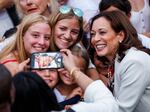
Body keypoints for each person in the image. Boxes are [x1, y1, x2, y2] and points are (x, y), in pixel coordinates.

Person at [50, 5, 99, 80]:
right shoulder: (42, 45)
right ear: (52, 26)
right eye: (62, 28)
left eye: (74, 32)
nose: (67, 36)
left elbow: (95, 78)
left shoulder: (78, 50)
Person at [54, 44, 89, 109]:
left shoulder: (86, 93)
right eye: (67, 67)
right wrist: (68, 101)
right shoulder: (50, 90)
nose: (70, 73)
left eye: (78, 70)